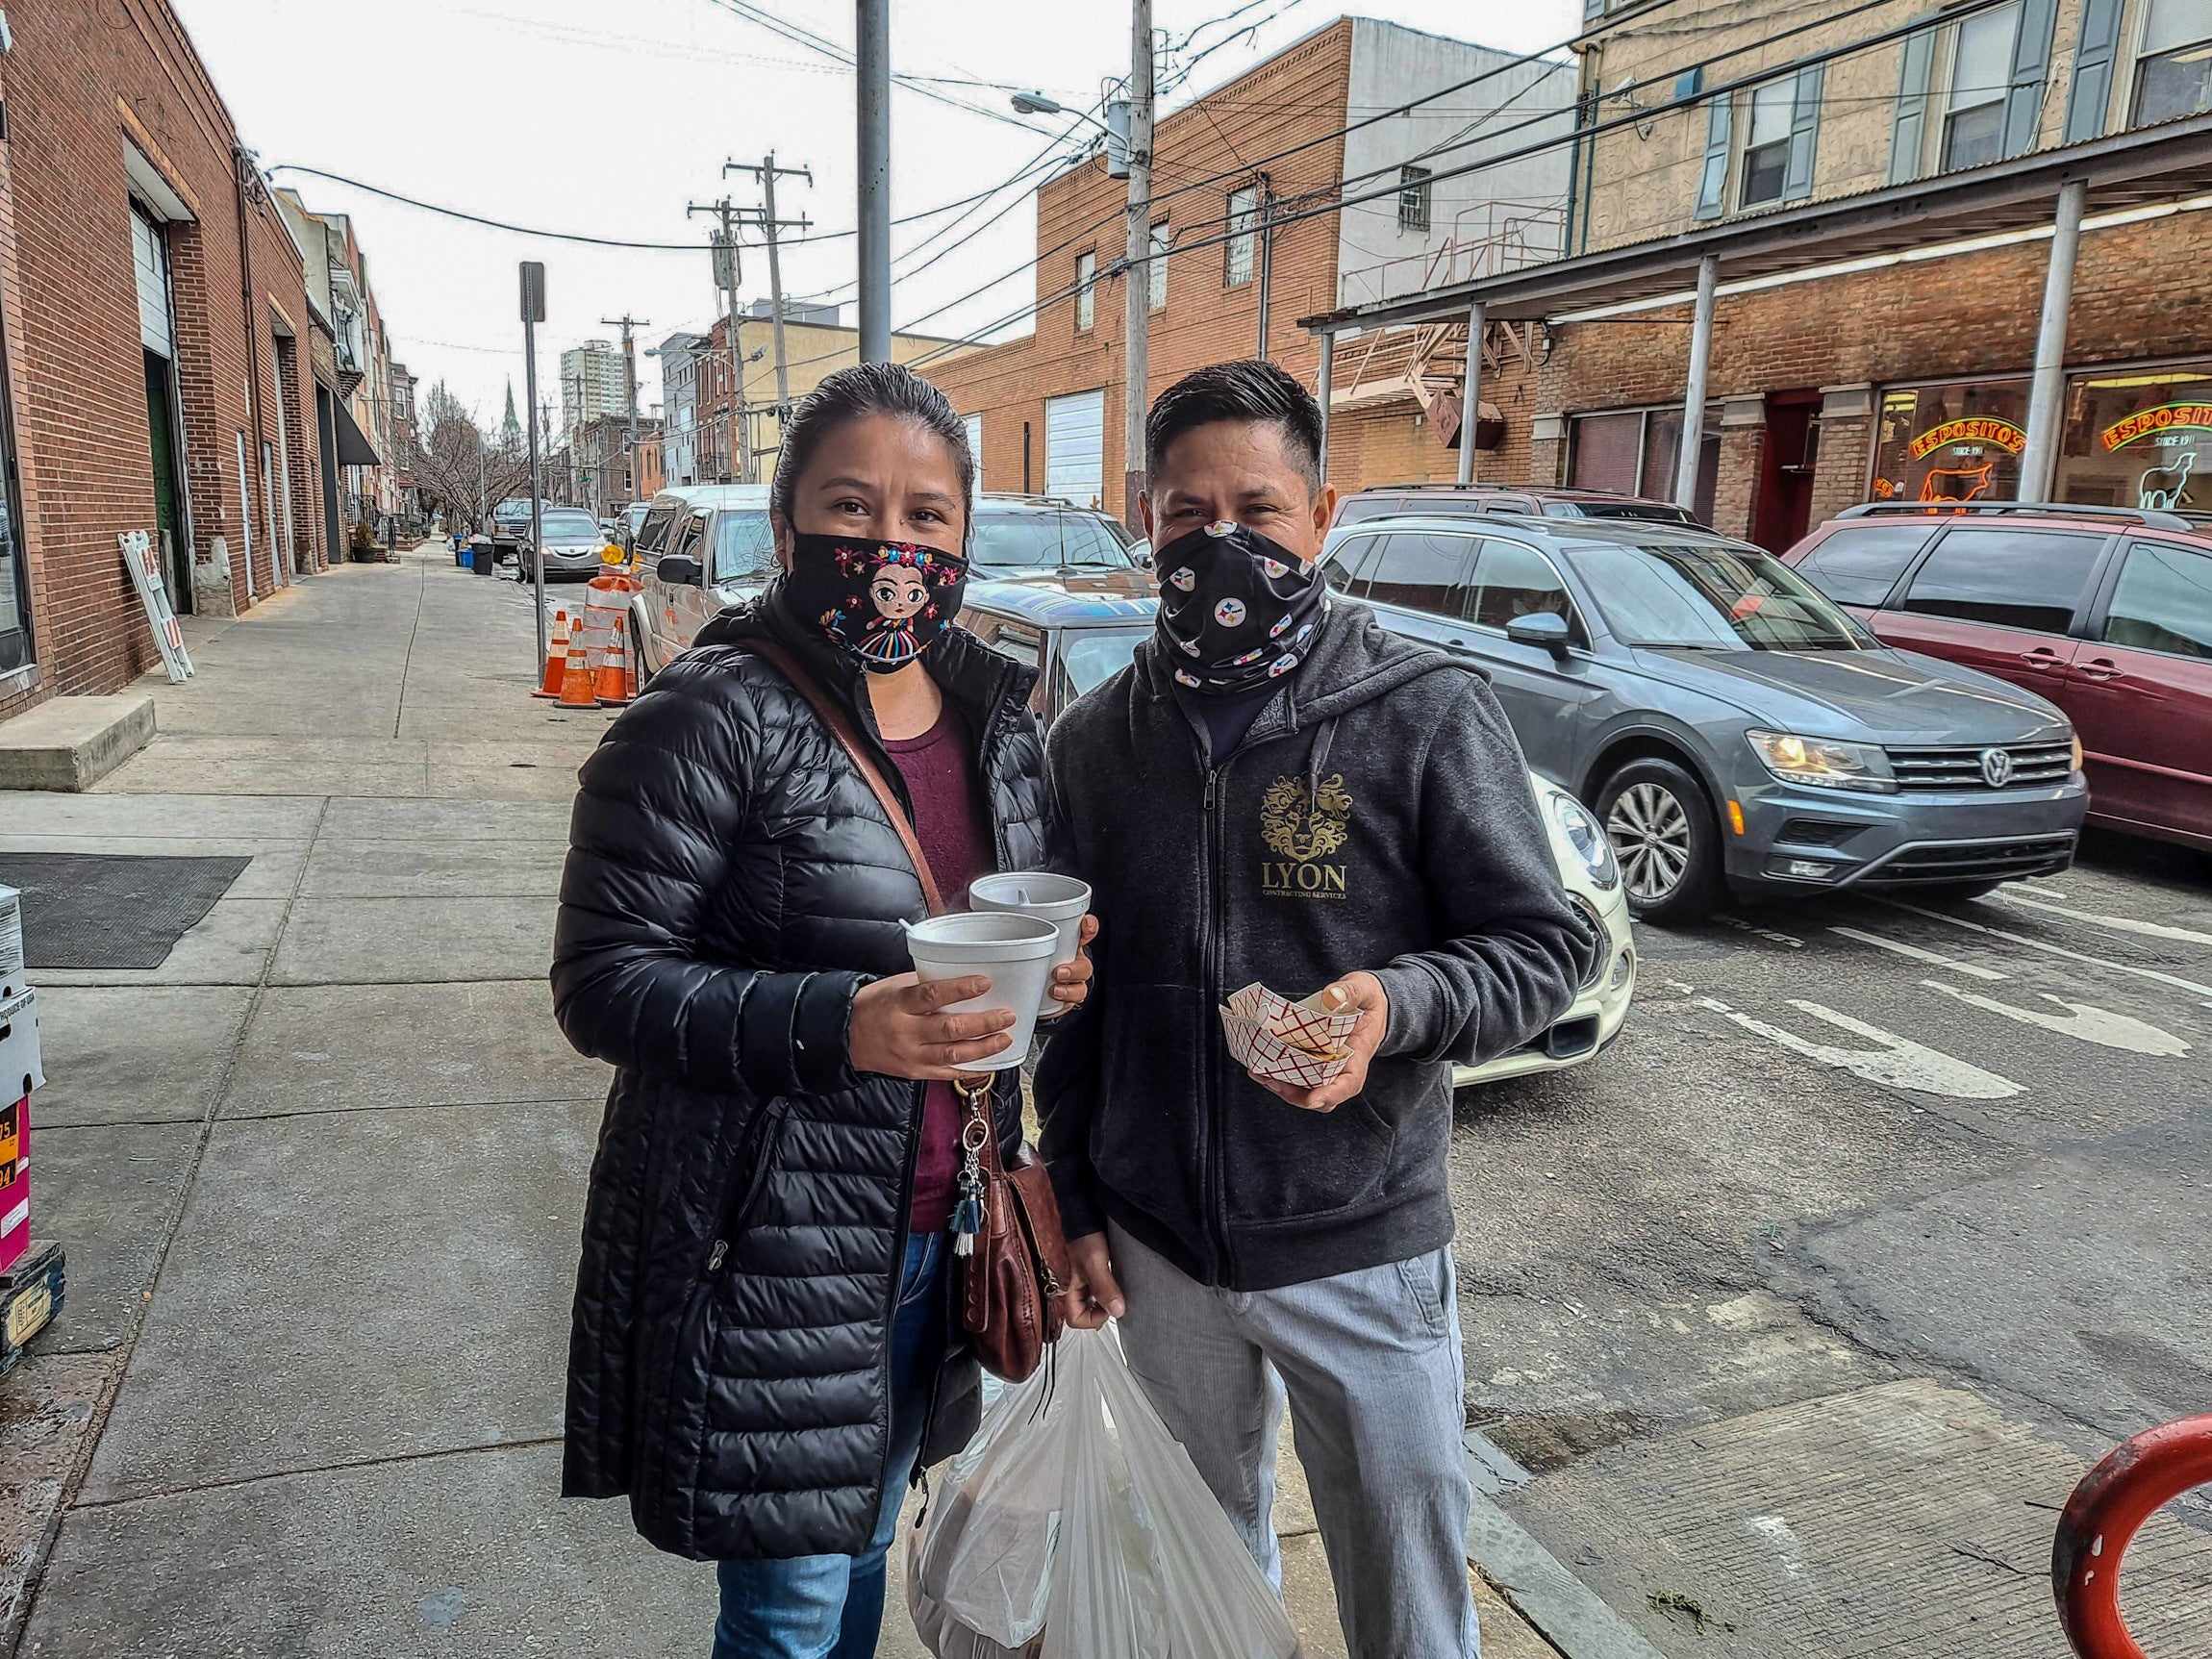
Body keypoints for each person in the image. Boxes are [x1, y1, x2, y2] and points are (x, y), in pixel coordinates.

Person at [1034, 360, 1594, 1659]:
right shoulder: (1098, 742)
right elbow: (1080, 1000)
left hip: (1365, 1243)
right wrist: (1075, 1193)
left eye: (1260, 508)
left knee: (1408, 1603)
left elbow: (1543, 946)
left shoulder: (1424, 710)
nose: (1222, 542)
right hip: (1164, 1247)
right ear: (1141, 512)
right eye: (1187, 513)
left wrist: (1393, 1007)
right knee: (1206, 1592)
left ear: (1323, 514)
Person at [552, 361, 1094, 1659]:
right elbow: (602, 980)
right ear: (790, 525)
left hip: (942, 1231)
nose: (892, 548)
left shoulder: (1002, 728)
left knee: (855, 1554)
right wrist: (840, 1022)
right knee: (793, 1606)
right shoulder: (708, 716)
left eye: (927, 516)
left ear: (966, 536)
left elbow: (1005, 959)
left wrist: (1062, 978)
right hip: (772, 1243)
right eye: (853, 511)